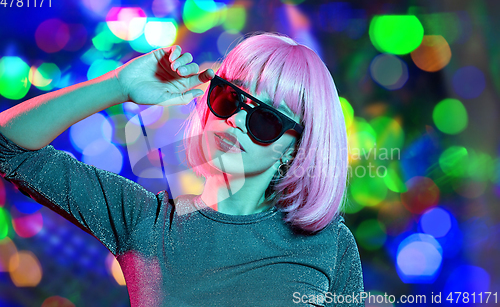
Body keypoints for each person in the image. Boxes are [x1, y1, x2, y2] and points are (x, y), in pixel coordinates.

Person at [0, 32, 364, 306]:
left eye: (266, 119)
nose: (236, 119)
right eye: (230, 97)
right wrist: (118, 86)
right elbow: (8, 147)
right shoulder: (145, 220)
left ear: (295, 149)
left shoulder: (328, 245)